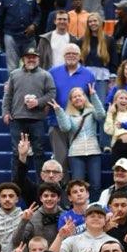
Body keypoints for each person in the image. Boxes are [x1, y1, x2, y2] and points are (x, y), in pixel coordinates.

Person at [3, 47, 56, 178]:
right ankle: (16, 185)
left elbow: (52, 93)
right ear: (23, 59)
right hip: (17, 119)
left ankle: (41, 187)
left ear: (38, 58)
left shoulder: (45, 75)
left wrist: (38, 102)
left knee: (39, 152)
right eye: (28, 57)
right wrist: (5, 112)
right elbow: (8, 95)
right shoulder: (14, 74)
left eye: (34, 57)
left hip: (37, 119)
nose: (31, 59)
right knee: (17, 153)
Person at [49, 43, 96, 172]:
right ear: (63, 56)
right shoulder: (52, 72)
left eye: (74, 53)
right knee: (60, 159)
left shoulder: (89, 75)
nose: (71, 56)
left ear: (80, 56)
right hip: (57, 122)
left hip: (80, 124)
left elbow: (92, 99)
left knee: (78, 161)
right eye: (68, 53)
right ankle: (63, 191)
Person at [53, 84, 105, 196]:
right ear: (71, 101)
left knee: (96, 184)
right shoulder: (68, 115)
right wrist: (59, 111)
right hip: (76, 153)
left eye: (80, 95)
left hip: (93, 151)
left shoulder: (91, 111)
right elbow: (65, 128)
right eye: (74, 97)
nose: (77, 98)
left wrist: (94, 96)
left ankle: (94, 209)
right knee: (77, 186)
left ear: (84, 97)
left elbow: (101, 115)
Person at [52, 204, 118, 252]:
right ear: (85, 220)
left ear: (105, 221)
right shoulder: (73, 240)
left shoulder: (113, 242)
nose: (96, 218)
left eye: (100, 217)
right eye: (92, 216)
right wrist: (59, 236)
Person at [0, 0, 39, 71]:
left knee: (32, 66)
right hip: (11, 36)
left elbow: (38, 14)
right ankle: (13, 83)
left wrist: (34, 25)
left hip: (29, 37)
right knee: (12, 68)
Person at [80, 13, 117, 93]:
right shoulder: (82, 40)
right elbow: (79, 60)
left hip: (103, 78)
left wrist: (113, 77)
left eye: (95, 21)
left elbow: (114, 61)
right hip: (85, 77)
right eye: (90, 21)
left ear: (100, 22)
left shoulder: (109, 40)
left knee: (101, 102)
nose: (92, 23)